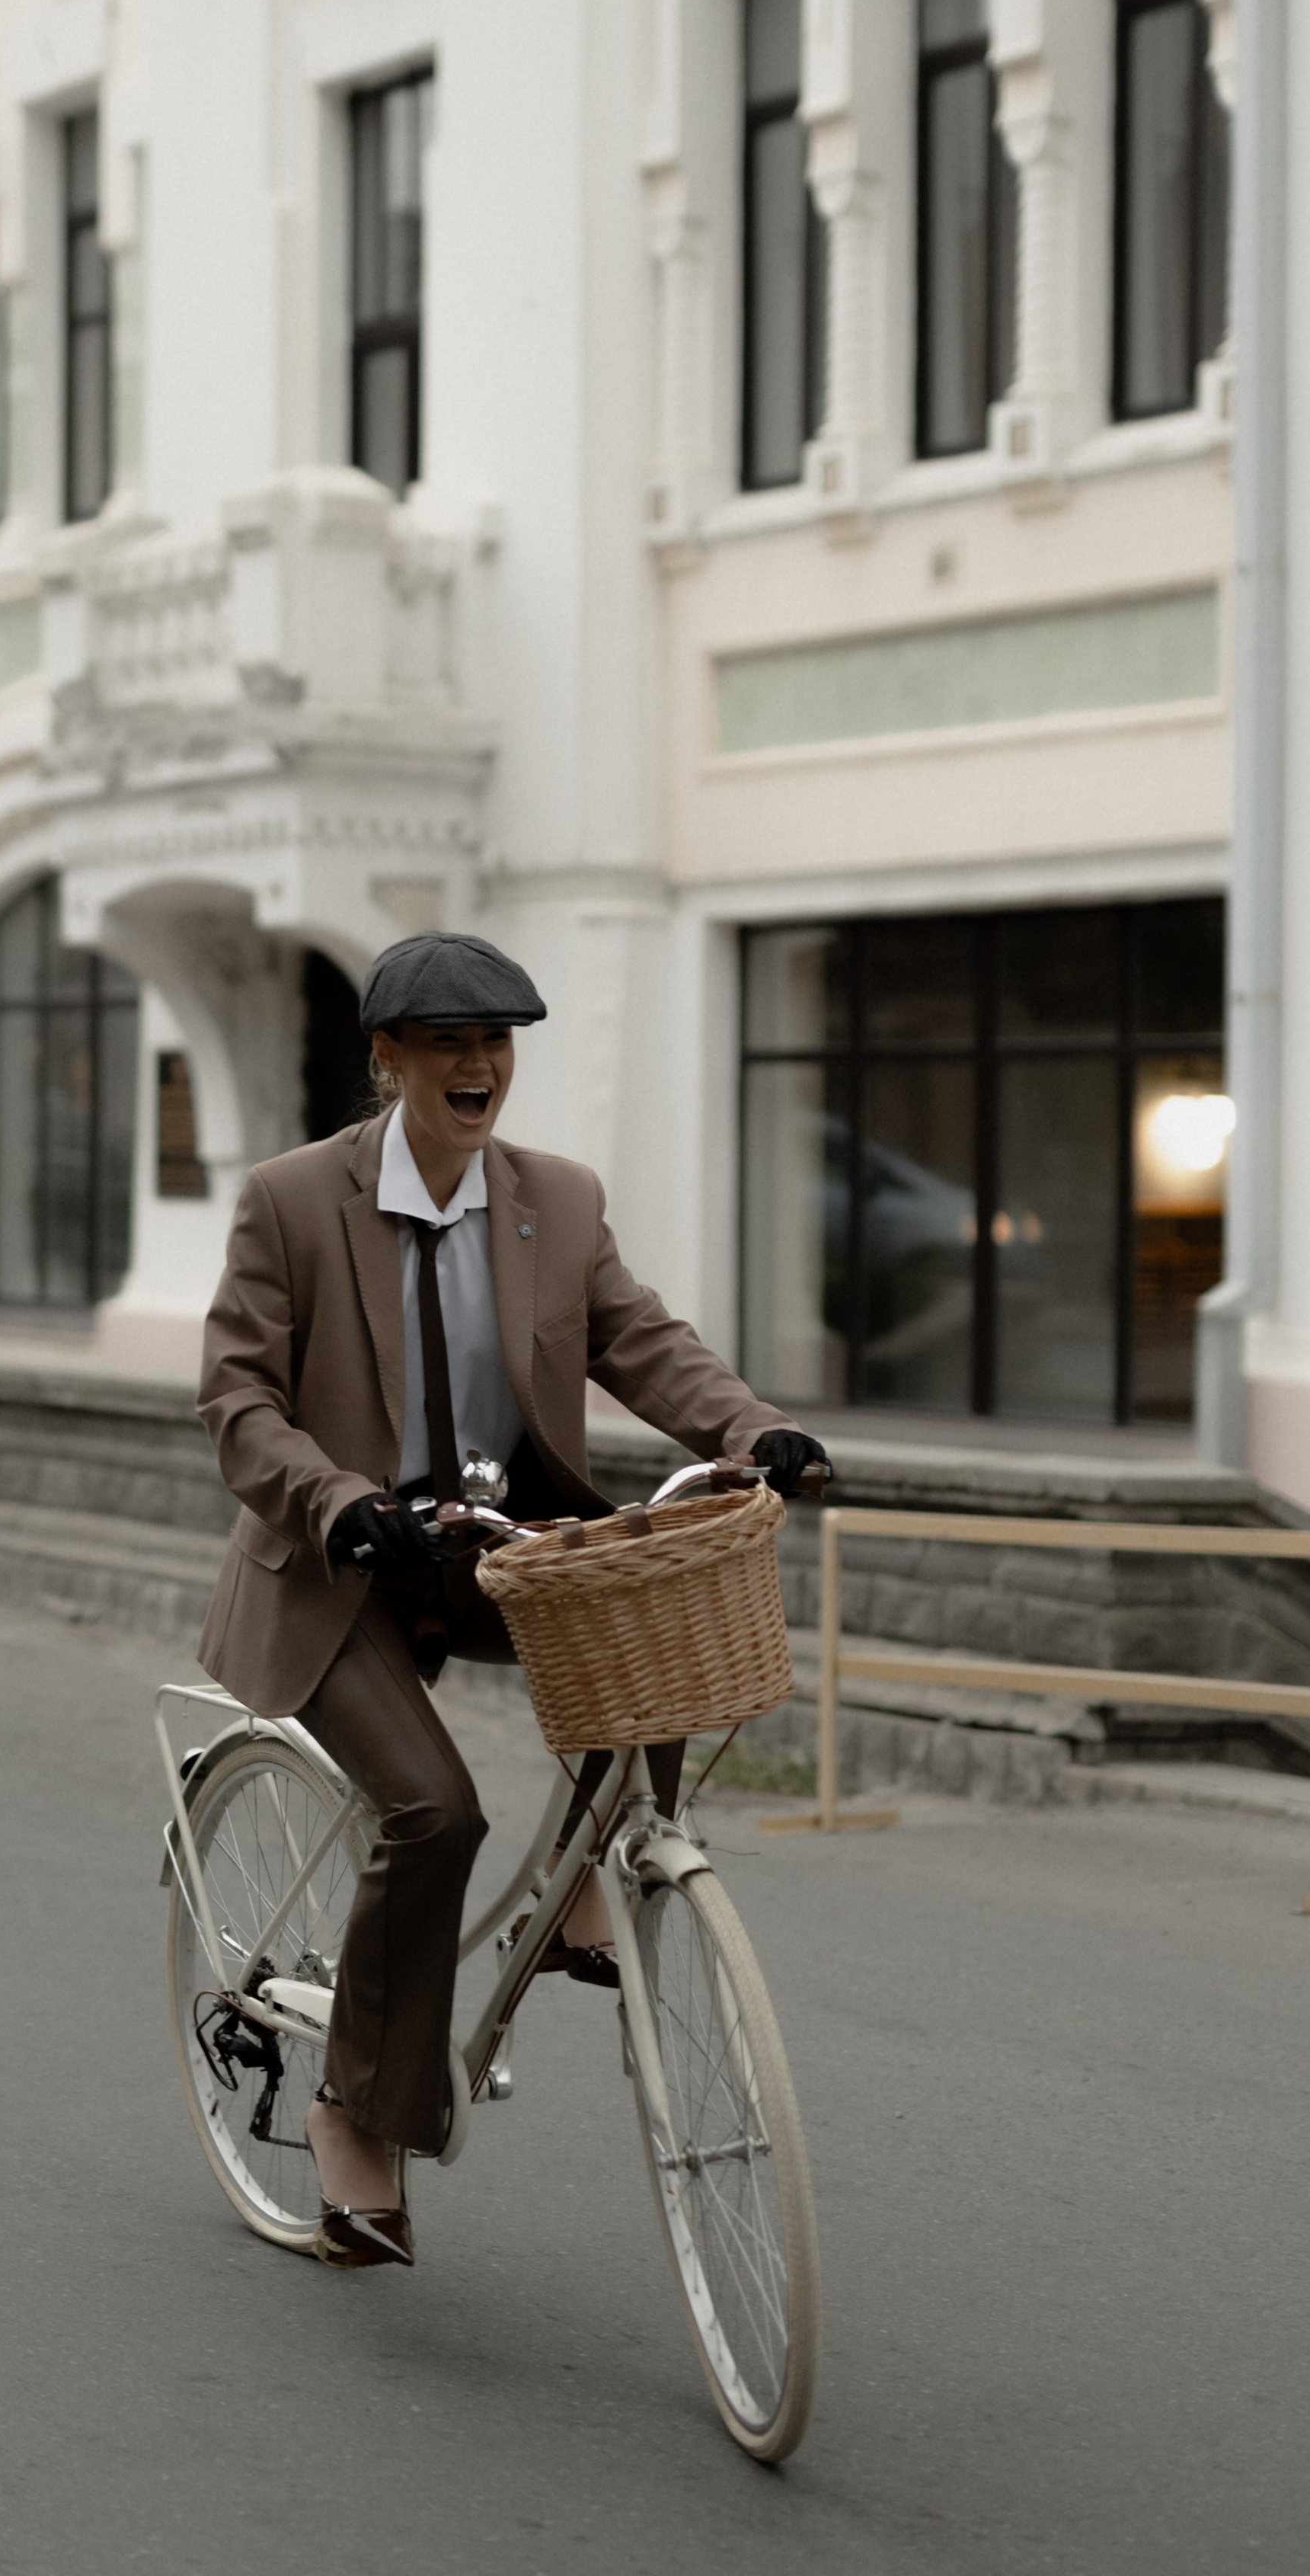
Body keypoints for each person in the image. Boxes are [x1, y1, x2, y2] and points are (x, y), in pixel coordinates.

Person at [196, 931, 829, 2270]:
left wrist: (754, 1428)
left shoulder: (556, 1199)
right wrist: (335, 1500)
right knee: (435, 1812)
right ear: (388, 1061)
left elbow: (641, 1343)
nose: (479, 1064)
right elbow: (238, 1405)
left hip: (495, 1537)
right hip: (345, 1563)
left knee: (648, 1635)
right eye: (447, 1043)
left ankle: (580, 1887)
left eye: (497, 1042)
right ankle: (353, 2115)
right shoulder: (292, 1202)